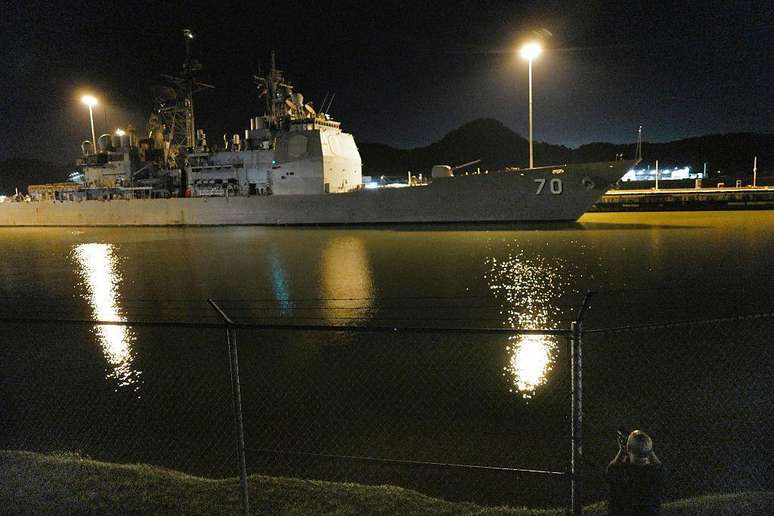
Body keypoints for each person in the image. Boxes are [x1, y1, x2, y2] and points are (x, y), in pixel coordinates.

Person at [606, 429, 663, 515]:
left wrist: (621, 451)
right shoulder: (654, 472)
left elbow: (610, 468)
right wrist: (650, 451)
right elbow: (659, 465)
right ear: (650, 451)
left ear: (628, 448)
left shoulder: (622, 471)